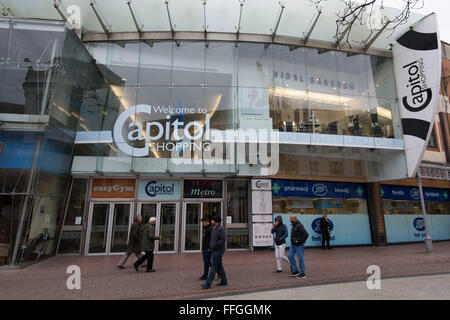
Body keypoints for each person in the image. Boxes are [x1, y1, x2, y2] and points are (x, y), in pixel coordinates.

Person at [201, 216, 227, 289]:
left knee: (213, 267)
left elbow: (222, 239)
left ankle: (208, 283)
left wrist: (215, 246)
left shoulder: (221, 228)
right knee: (220, 266)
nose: (211, 221)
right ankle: (224, 281)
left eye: (212, 220)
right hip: (214, 250)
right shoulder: (214, 228)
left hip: (218, 250)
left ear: (216, 221)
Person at [288, 215, 309, 279]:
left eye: (291, 218)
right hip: (293, 244)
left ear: (295, 219)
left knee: (300, 258)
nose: (290, 219)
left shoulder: (300, 225)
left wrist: (301, 242)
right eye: (290, 218)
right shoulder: (293, 225)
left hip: (299, 245)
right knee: (290, 256)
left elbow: (306, 234)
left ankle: (303, 273)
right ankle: (296, 270)